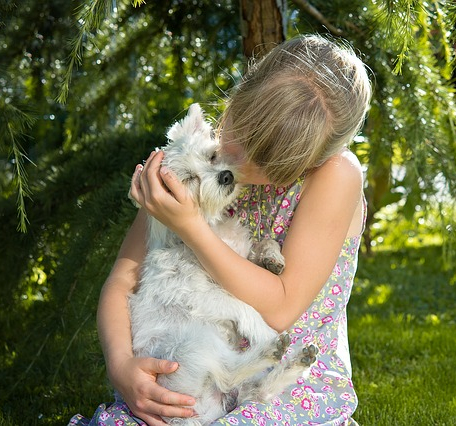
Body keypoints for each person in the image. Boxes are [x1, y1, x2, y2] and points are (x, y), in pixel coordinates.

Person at [69, 34, 372, 426]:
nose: (235, 161)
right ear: (241, 94)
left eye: (265, 161)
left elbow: (280, 307)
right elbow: (124, 280)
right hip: (191, 374)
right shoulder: (197, 157)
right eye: (238, 133)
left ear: (312, 160)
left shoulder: (335, 177)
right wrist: (121, 365)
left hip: (283, 384)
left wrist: (191, 227)